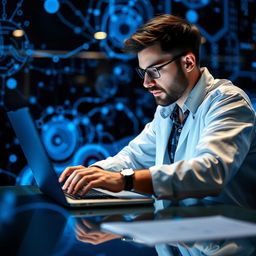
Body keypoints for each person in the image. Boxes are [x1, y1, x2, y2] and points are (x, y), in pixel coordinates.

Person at [59, 14, 256, 209]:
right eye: (143, 72)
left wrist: (125, 180)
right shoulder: (168, 109)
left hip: (227, 234)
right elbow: (134, 157)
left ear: (188, 62)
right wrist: (94, 173)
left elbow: (209, 172)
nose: (146, 83)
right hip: (181, 230)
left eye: (154, 71)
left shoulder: (228, 101)